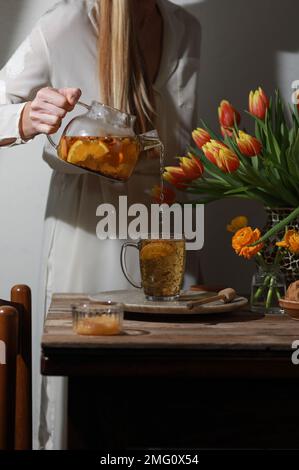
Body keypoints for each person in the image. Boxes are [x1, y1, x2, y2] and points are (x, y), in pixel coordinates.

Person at [0, 0, 201, 449]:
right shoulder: (63, 25)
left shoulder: (187, 28)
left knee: (170, 392)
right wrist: (26, 117)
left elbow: (183, 140)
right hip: (86, 227)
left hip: (167, 224)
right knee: (85, 395)